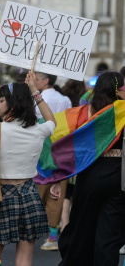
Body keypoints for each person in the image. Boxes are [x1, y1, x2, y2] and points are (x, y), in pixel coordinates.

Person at [0, 72, 60, 266]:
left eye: (1, 100)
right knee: (24, 259)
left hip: (1, 195)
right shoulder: (38, 130)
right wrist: (35, 91)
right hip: (29, 194)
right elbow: (52, 122)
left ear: (13, 104)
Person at [57, 71, 125, 266]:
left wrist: (36, 95)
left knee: (81, 227)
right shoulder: (123, 111)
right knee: (110, 236)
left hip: (91, 174)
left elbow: (56, 127)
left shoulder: (86, 111)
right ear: (117, 90)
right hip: (119, 176)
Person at [34, 71, 72, 251]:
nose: (35, 81)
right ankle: (52, 235)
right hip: (61, 148)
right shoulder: (65, 99)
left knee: (38, 189)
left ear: (46, 80)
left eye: (37, 78)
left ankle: (31, 233)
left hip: (42, 148)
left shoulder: (38, 99)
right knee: (57, 193)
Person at [60, 79, 87, 232]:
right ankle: (76, 226)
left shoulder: (65, 98)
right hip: (81, 151)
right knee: (77, 192)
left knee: (66, 193)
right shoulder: (87, 100)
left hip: (68, 149)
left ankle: (64, 225)